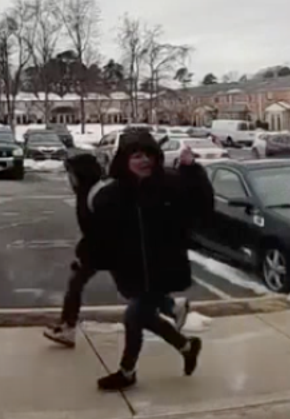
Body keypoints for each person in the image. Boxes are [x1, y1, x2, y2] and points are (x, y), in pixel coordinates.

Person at [87, 129, 213, 391]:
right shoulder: (114, 193)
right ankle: (186, 346)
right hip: (131, 270)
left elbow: (202, 206)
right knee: (144, 316)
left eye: (149, 155)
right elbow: (101, 230)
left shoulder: (171, 183)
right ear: (124, 160)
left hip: (162, 269)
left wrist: (193, 171)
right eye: (136, 155)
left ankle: (127, 371)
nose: (144, 161)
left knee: (135, 316)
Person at [44, 150, 187, 348]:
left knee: (135, 301)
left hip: (111, 252)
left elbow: (104, 230)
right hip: (106, 252)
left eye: (71, 174)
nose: (69, 179)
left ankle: (173, 314)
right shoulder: (88, 192)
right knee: (134, 298)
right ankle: (175, 320)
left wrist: (86, 256)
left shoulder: (98, 194)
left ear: (81, 174)